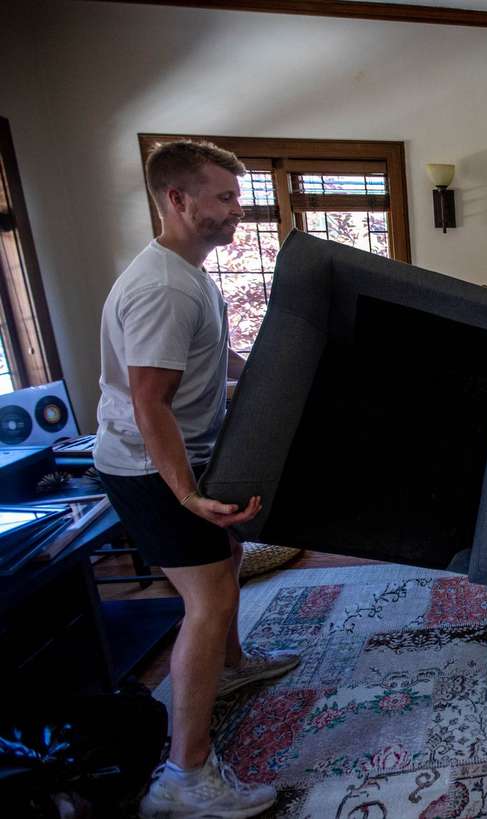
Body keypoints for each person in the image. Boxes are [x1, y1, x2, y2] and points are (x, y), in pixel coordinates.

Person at [95, 140, 299, 819]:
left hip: (177, 456)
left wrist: (266, 380)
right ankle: (184, 774)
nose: (236, 210)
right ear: (178, 200)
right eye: (224, 198)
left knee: (230, 556)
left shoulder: (188, 273)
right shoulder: (160, 287)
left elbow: (213, 357)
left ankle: (233, 662)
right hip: (150, 467)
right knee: (206, 598)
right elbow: (150, 399)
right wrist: (185, 494)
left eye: (237, 198)